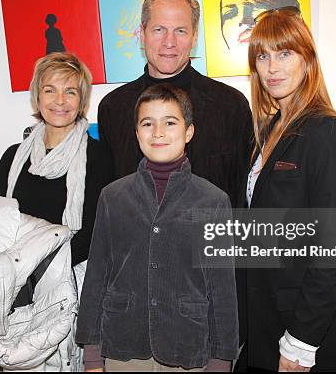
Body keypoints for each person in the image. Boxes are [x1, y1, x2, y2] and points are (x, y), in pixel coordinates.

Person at [0, 52, 113, 370]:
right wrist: (16, 271)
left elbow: (96, 230)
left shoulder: (98, 156)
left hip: (67, 286)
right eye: (50, 89)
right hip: (11, 287)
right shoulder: (13, 157)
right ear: (37, 96)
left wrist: (41, 267)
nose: (60, 100)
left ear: (82, 100)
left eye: (71, 91)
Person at [76, 83, 239, 372]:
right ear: (137, 132)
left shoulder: (213, 201)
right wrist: (92, 355)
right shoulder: (112, 197)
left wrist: (221, 360)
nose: (158, 132)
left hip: (188, 347)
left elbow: (222, 289)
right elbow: (97, 276)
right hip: (123, 346)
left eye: (170, 122)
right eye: (147, 123)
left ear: (189, 132)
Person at [244, 6, 336, 371]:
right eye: (263, 56)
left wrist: (300, 344)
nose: (272, 67)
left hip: (311, 335)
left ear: (307, 60)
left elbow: (334, 249)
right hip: (268, 325)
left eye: (285, 53)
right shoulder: (266, 133)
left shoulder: (328, 132)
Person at [97, 0, 253, 209]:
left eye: (180, 31)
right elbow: (110, 201)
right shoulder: (113, 108)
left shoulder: (230, 105)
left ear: (195, 36)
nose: (169, 42)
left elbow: (241, 196)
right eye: (159, 29)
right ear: (142, 34)